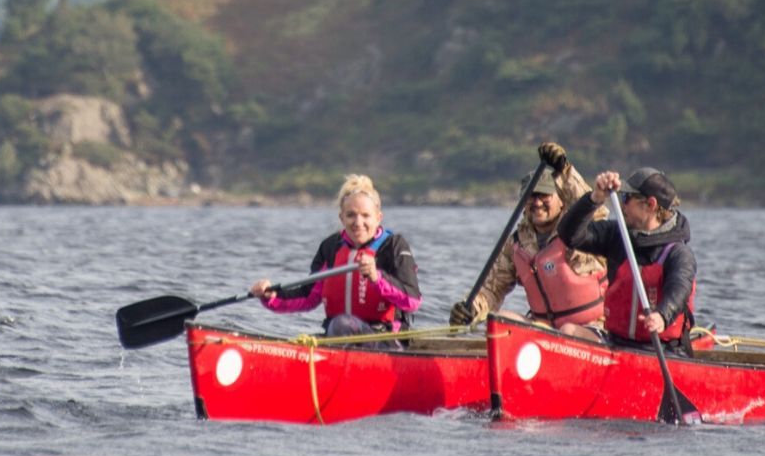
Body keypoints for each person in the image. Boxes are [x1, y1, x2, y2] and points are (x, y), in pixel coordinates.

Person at [449, 141, 609, 331]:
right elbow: (492, 289)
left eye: (544, 195)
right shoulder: (516, 244)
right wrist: (471, 308)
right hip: (545, 328)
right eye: (530, 196)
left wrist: (563, 169)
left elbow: (592, 206)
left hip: (593, 327)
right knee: (500, 320)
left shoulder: (581, 228)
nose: (537, 202)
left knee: (568, 331)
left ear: (561, 200)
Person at [249, 173, 422, 343]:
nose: (358, 223)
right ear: (342, 218)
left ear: (378, 218)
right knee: (336, 326)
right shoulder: (330, 247)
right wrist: (270, 295)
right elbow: (308, 297)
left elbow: (412, 301)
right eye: (351, 215)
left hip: (385, 339)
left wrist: (377, 278)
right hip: (339, 334)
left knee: (341, 324)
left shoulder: (394, 246)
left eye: (366, 215)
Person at [556, 165, 697, 346]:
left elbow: (679, 288)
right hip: (615, 342)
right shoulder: (617, 234)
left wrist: (662, 316)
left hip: (660, 348)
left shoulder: (678, 253)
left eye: (627, 198)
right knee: (568, 330)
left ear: (650, 204)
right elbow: (569, 235)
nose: (622, 205)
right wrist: (595, 198)